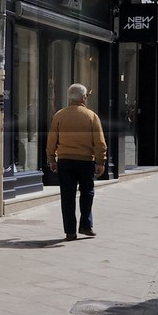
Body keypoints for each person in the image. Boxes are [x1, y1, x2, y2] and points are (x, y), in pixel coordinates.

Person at [46, 83, 108, 241]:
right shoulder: (91, 116)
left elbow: (52, 140)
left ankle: (70, 231)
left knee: (67, 196)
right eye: (86, 95)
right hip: (85, 161)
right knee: (87, 192)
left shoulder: (59, 115)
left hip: (65, 161)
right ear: (83, 98)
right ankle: (86, 225)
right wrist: (101, 161)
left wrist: (52, 159)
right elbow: (99, 142)